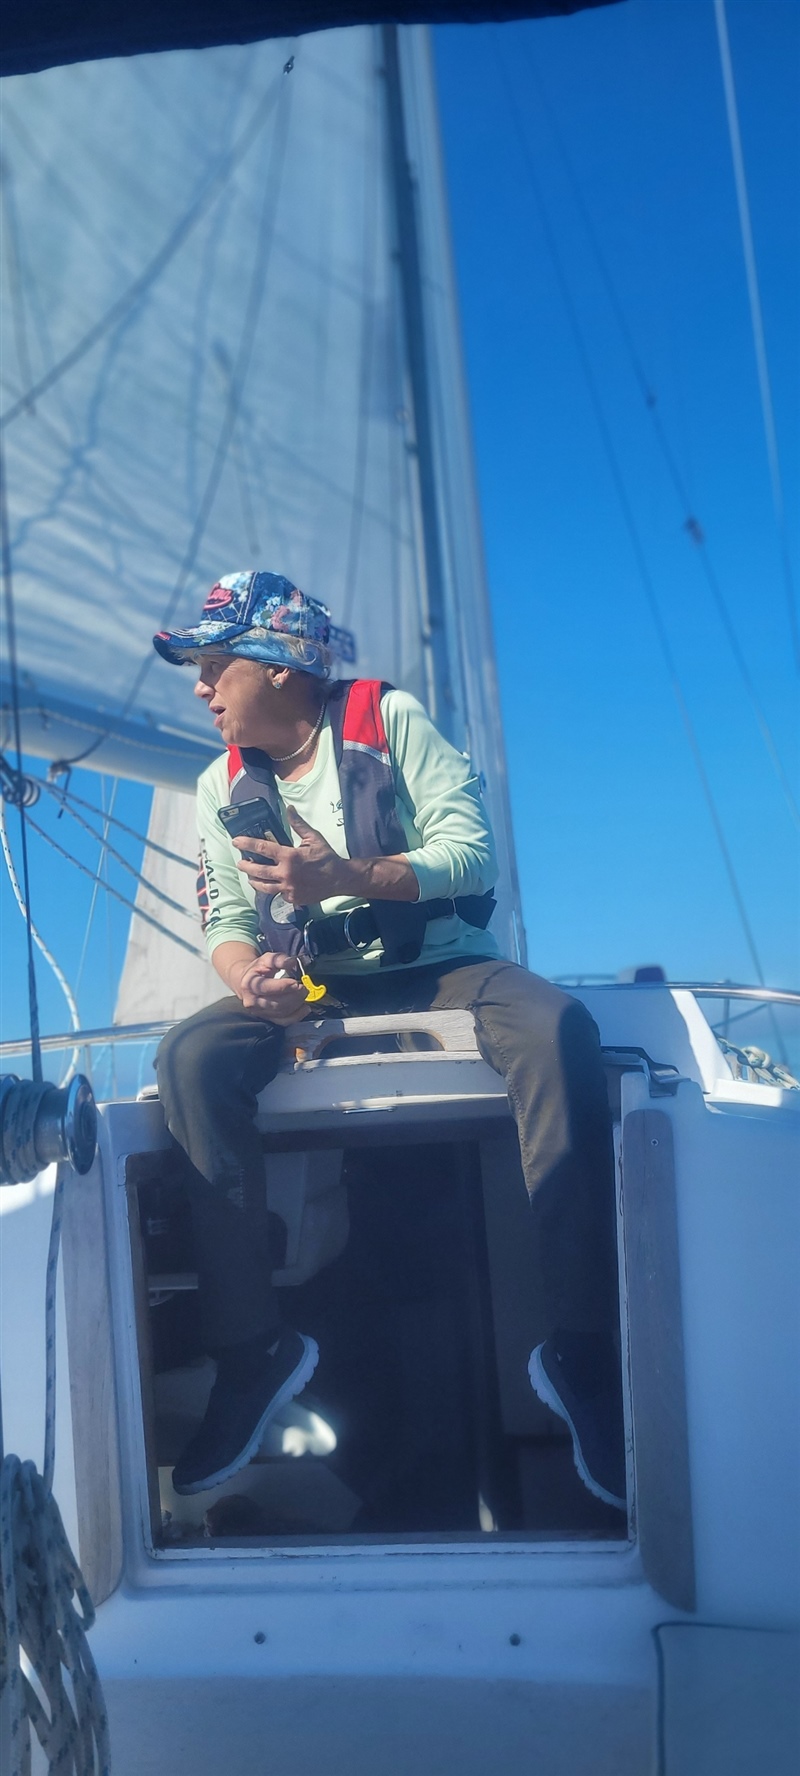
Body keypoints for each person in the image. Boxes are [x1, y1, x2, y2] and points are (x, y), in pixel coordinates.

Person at [153, 570, 625, 1507]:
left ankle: (584, 1354)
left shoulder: (389, 719)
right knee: (191, 1058)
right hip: (316, 985)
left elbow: (470, 851)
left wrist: (350, 874)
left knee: (558, 1028)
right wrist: (255, 982)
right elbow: (226, 919)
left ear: (281, 667)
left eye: (213, 664)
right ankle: (251, 1353)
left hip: (443, 965)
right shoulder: (218, 785)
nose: (200, 687)